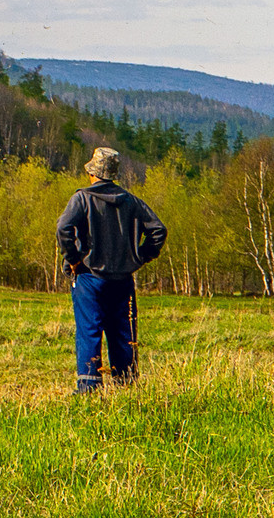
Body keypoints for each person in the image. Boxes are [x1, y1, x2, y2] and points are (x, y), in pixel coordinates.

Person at [56, 145, 168, 393]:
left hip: (88, 277)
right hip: (123, 279)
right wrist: (141, 256)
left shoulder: (82, 199)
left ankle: (89, 388)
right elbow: (158, 230)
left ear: (93, 173)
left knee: (89, 331)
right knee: (122, 333)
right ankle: (126, 385)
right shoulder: (131, 201)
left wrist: (74, 259)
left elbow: (63, 228)